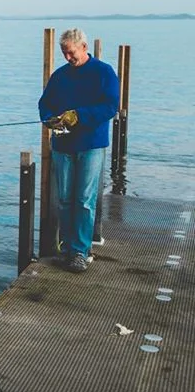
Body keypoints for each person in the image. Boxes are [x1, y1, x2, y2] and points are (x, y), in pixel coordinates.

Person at [38, 28, 120, 272]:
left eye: (70, 52)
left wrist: (79, 116)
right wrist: (49, 118)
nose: (67, 58)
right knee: (64, 199)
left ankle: (81, 251)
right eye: (64, 53)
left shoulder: (103, 72)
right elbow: (45, 103)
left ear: (84, 47)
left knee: (84, 199)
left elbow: (110, 106)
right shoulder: (60, 76)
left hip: (91, 144)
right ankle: (66, 249)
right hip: (63, 145)